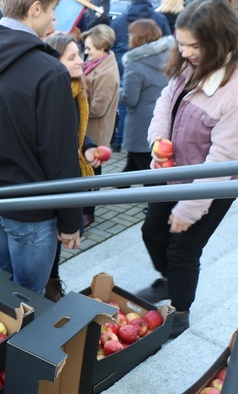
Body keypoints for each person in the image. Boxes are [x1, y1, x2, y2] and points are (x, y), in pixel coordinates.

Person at [0, 0, 82, 295]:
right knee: (28, 298)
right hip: (31, 207)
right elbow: (59, 155)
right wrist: (72, 220)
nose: (54, 18)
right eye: (51, 11)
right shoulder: (49, 71)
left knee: (4, 289)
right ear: (35, 8)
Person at [137, 0, 238, 339]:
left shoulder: (233, 89)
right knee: (152, 231)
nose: (185, 51)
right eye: (181, 43)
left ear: (219, 41)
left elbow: (222, 158)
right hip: (175, 171)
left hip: (210, 184)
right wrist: (157, 141)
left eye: (193, 45)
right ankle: (168, 281)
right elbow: (167, 100)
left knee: (183, 248)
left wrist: (190, 208)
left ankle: (180, 312)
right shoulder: (188, 65)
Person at [43, 34, 102, 301]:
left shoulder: (77, 89)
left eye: (80, 53)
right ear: (54, 63)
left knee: (56, 241)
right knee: (52, 236)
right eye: (72, 57)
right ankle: (47, 286)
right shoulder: (52, 96)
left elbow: (77, 133)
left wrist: (88, 146)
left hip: (69, 173)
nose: (81, 60)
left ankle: (52, 282)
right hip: (53, 180)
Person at [109, 0, 170, 150]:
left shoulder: (119, 21)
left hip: (125, 67)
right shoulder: (159, 18)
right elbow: (168, 38)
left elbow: (111, 43)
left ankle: (118, 140)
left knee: (126, 105)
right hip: (157, 67)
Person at [119, 20, 171, 178]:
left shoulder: (135, 65)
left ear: (138, 37)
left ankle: (153, 201)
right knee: (138, 158)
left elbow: (130, 99)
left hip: (140, 125)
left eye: (131, 33)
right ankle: (123, 183)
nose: (129, 36)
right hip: (162, 117)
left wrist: (117, 91)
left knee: (146, 167)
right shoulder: (169, 55)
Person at [81, 24, 119, 227]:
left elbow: (98, 109)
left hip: (96, 133)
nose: (86, 52)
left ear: (103, 46)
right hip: (89, 132)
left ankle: (89, 212)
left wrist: (79, 99)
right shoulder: (95, 63)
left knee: (93, 175)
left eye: (89, 48)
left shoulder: (107, 73)